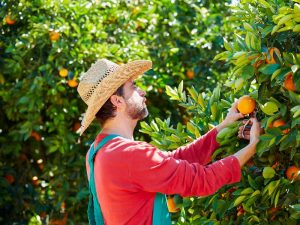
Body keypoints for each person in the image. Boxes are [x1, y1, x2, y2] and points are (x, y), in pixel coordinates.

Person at [77, 59, 261, 225]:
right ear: (118, 101)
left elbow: (171, 162)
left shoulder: (96, 152)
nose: (142, 92)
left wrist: (224, 126)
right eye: (133, 86)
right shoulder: (129, 154)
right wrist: (252, 146)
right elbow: (201, 180)